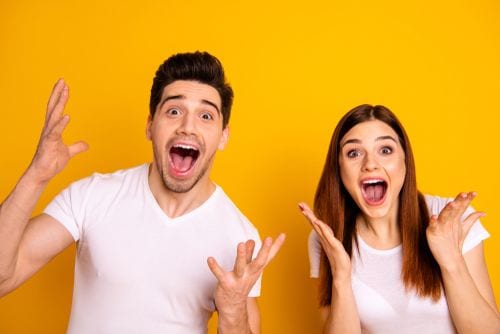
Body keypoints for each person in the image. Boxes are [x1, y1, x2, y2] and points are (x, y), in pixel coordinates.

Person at [0, 51, 285, 333]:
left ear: (223, 136)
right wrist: (36, 176)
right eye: (174, 111)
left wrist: (234, 311)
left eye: (206, 115)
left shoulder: (239, 239)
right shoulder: (93, 195)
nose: (188, 126)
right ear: (150, 125)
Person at [299, 104, 499, 333]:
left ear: (405, 160)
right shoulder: (327, 237)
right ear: (339, 168)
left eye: (385, 150)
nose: (370, 164)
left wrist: (450, 261)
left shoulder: (449, 218)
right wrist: (342, 278)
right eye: (354, 153)